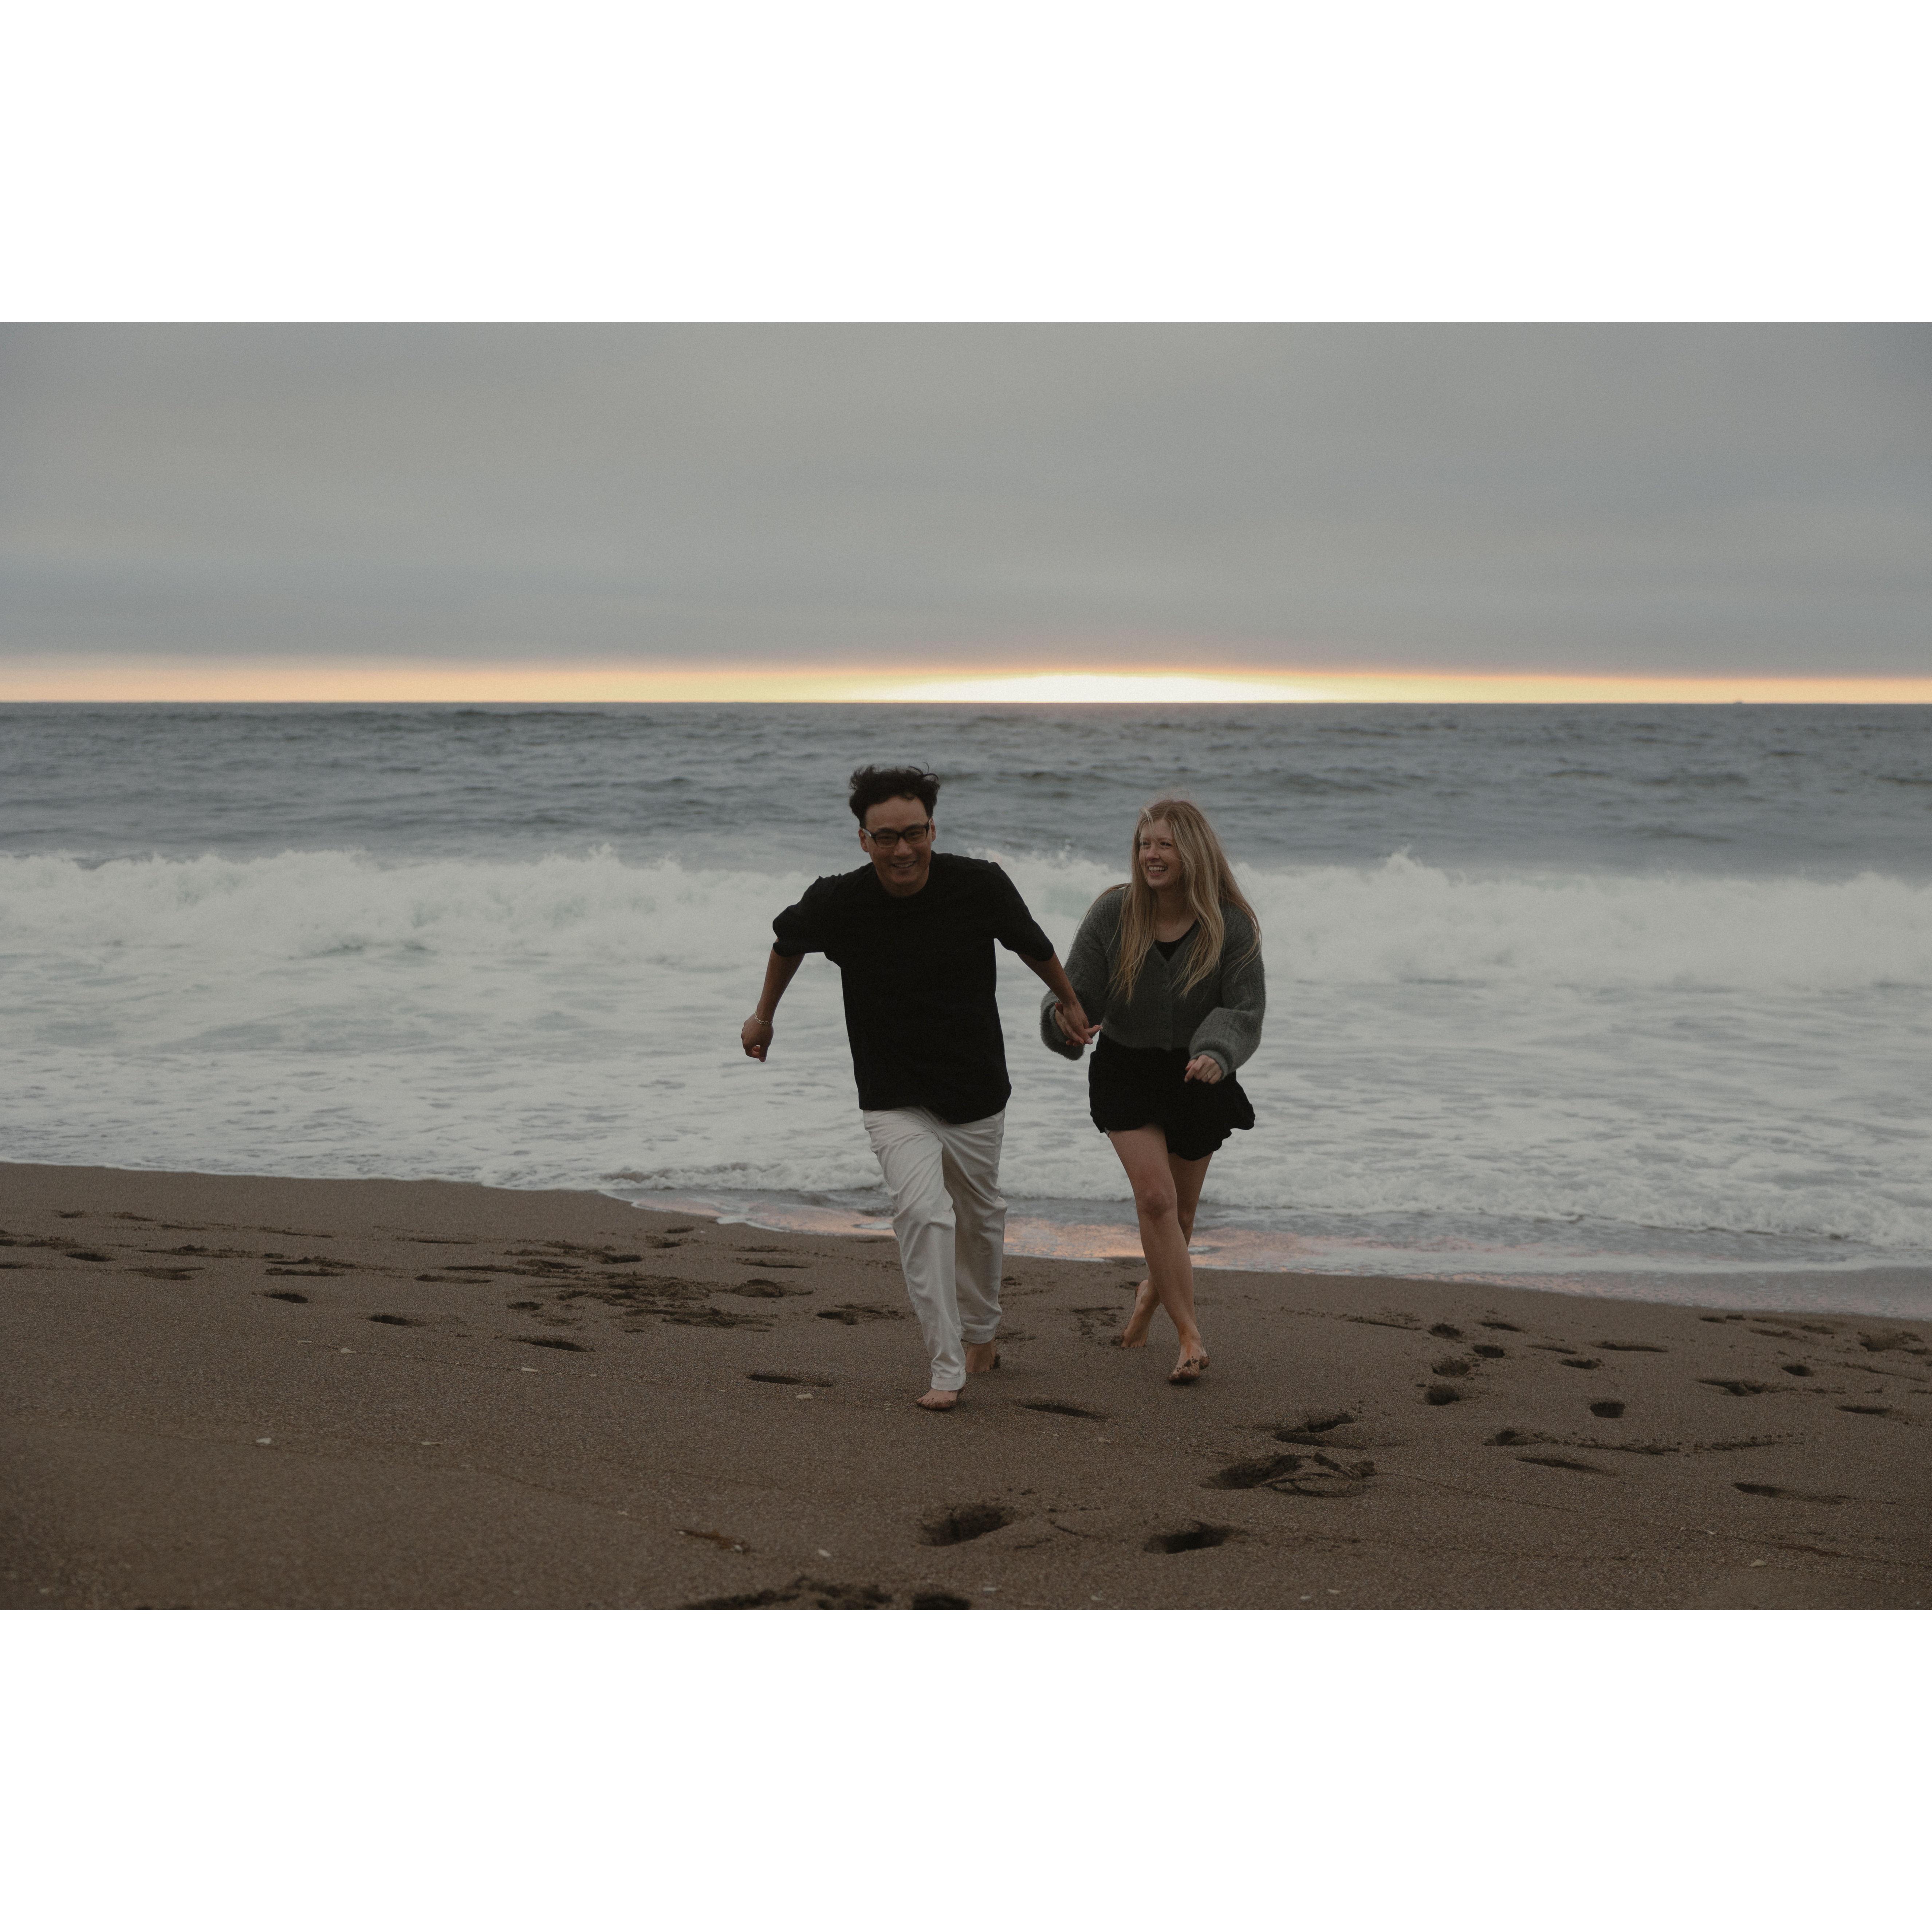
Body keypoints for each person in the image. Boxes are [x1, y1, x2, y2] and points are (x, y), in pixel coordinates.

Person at [742, 765, 1094, 1410]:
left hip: (973, 1085)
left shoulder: (978, 884)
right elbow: (786, 942)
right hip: (892, 1090)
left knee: (979, 1217)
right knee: (922, 1214)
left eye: (914, 833)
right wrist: (764, 1015)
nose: (902, 849)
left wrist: (1068, 1000)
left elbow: (1034, 945)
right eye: (886, 837)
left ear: (932, 829)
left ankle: (981, 1332)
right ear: (863, 840)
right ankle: (946, 1363)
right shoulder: (837, 900)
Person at [1042, 798, 1263, 1384]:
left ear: (1192, 851)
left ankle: (1150, 1294)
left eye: (1164, 844)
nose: (1151, 855)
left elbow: (1244, 1008)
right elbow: (1075, 990)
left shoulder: (1230, 924)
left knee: (1181, 1215)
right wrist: (1063, 1019)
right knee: (1156, 1200)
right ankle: (1190, 1336)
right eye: (1144, 844)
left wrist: (1216, 1051)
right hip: (1127, 1072)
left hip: (1198, 1076)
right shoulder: (1113, 913)